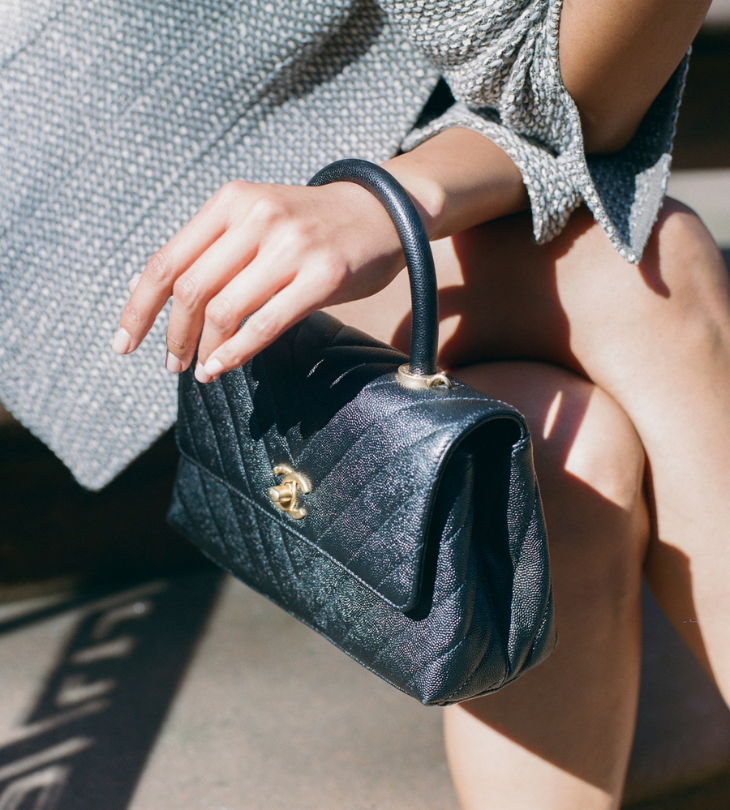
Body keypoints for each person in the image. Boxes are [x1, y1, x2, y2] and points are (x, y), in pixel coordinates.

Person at [2, 1, 726, 808]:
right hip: (116, 186)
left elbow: (575, 97)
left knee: (553, 451)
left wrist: (392, 200)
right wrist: (391, 199)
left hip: (374, 167)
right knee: (662, 279)